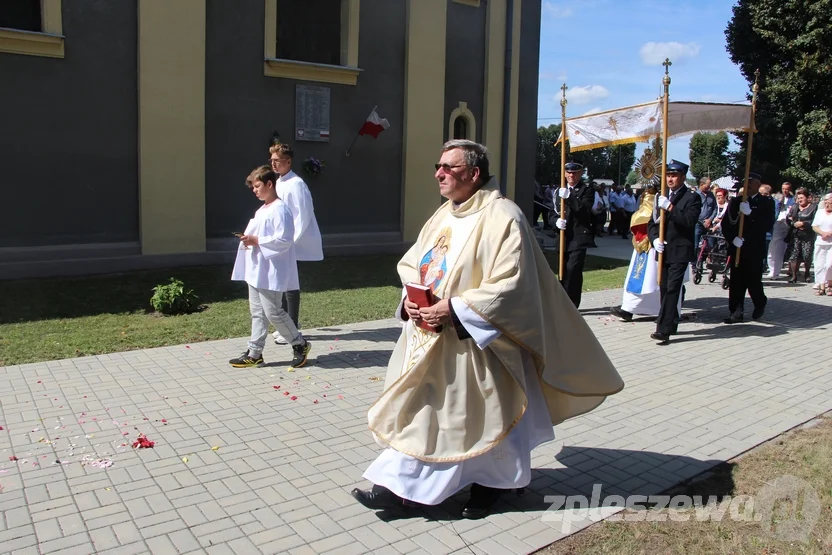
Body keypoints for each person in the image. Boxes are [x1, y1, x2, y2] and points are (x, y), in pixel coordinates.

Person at [351, 140, 623, 519]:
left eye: (448, 167)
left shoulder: (504, 216)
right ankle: (396, 488)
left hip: (482, 347)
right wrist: (409, 300)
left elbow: (514, 283)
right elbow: (416, 263)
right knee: (427, 415)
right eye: (438, 165)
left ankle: (492, 486)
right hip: (430, 338)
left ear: (474, 174)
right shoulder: (444, 214)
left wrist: (457, 308)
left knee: (486, 420)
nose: (438, 173)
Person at [229, 166, 312, 368]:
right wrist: (248, 240)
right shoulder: (262, 209)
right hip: (257, 270)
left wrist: (257, 240)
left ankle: (299, 344)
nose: (255, 190)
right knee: (257, 313)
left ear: (269, 184)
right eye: (253, 187)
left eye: (257, 186)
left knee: (273, 312)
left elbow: (284, 239)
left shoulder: (280, 209)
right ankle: (255, 352)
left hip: (271, 271)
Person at [268, 143, 323, 345]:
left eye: (277, 160)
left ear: (288, 161)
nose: (273, 164)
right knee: (282, 283)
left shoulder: (296, 184)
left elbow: (303, 214)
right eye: (271, 160)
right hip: (282, 241)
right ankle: (285, 325)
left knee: (290, 284)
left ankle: (291, 326)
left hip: (292, 242)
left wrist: (291, 241)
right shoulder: (280, 182)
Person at [610, 184, 688, 322]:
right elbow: (646, 219)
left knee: (665, 282)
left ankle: (668, 313)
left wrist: (669, 208)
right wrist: (653, 237)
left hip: (668, 246)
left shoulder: (683, 197)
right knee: (642, 280)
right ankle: (629, 308)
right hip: (650, 243)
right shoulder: (653, 197)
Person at [647, 160, 701, 345]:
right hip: (664, 250)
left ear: (683, 177)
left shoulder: (692, 197)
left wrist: (670, 207)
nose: (670, 179)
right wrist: (654, 239)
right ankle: (671, 322)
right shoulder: (660, 197)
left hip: (680, 250)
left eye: (674, 175)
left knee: (672, 289)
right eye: (668, 175)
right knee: (663, 288)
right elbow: (652, 223)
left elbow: (688, 221)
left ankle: (663, 330)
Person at [721, 172, 776, 323]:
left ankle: (760, 302)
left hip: (754, 249)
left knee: (753, 281)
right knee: (736, 282)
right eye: (745, 183)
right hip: (737, 247)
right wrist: (732, 239)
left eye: (750, 183)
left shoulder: (766, 203)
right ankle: (736, 312)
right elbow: (726, 224)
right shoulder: (735, 201)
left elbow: (767, 225)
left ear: (758, 185)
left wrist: (751, 213)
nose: (746, 186)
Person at [551, 161, 596, 308]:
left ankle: (571, 305)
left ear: (581, 173)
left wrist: (570, 197)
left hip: (578, 237)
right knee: (562, 271)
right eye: (568, 172)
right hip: (563, 237)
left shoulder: (587, 190)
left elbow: (585, 211)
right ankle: (561, 303)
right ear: (564, 173)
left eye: (575, 172)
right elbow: (551, 213)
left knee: (573, 271)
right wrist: (555, 222)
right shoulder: (559, 191)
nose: (571, 175)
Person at [785, 188, 818, 284]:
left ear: (808, 198)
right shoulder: (795, 206)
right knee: (794, 255)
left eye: (802, 198)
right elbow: (788, 218)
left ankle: (807, 274)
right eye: (798, 198)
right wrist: (793, 223)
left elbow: (814, 220)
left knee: (807, 255)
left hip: (807, 235)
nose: (800, 200)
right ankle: (794, 276)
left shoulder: (813, 207)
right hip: (795, 234)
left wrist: (804, 223)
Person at [811, 192, 832, 295]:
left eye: (830, 203)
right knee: (819, 265)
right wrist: (822, 233)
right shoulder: (820, 212)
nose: (827, 205)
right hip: (820, 241)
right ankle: (822, 286)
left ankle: (830, 284)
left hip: (831, 243)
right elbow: (814, 226)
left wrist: (829, 233)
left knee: (829, 265)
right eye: (826, 202)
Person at [693, 177, 718, 259]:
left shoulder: (711, 195)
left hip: (709, 224)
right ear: (701, 184)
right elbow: (693, 210)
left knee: (711, 244)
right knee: (695, 245)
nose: (710, 187)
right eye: (708, 185)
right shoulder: (695, 195)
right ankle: (695, 264)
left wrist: (710, 219)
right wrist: (702, 221)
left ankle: (709, 260)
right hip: (698, 224)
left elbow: (715, 208)